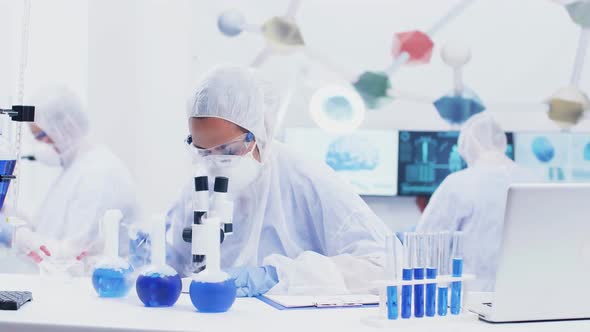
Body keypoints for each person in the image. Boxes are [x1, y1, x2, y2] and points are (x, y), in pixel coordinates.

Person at [167, 66, 398, 297]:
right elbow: (174, 263)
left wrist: (279, 276)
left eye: (228, 149)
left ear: (259, 133)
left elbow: (387, 264)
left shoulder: (306, 180)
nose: (216, 162)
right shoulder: (198, 186)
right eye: (204, 151)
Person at [16, 86, 138, 272]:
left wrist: (15, 236)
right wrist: (8, 212)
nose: (41, 145)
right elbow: (43, 230)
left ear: (65, 126)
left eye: (41, 135)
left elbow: (70, 256)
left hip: (98, 287)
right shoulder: (74, 167)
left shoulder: (98, 173)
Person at [415, 112, 531, 291]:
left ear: (469, 146)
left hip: (470, 300)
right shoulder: (535, 180)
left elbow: (423, 246)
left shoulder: (458, 183)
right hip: (525, 294)